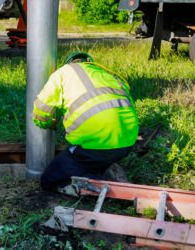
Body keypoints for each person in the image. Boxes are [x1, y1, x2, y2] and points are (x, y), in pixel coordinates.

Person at [32, 51, 139, 191]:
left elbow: (42, 108)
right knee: (95, 159)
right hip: (128, 142)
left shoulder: (63, 72)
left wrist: (46, 124)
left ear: (69, 63)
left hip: (97, 145)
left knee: (49, 179)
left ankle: (99, 187)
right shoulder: (106, 74)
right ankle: (103, 171)